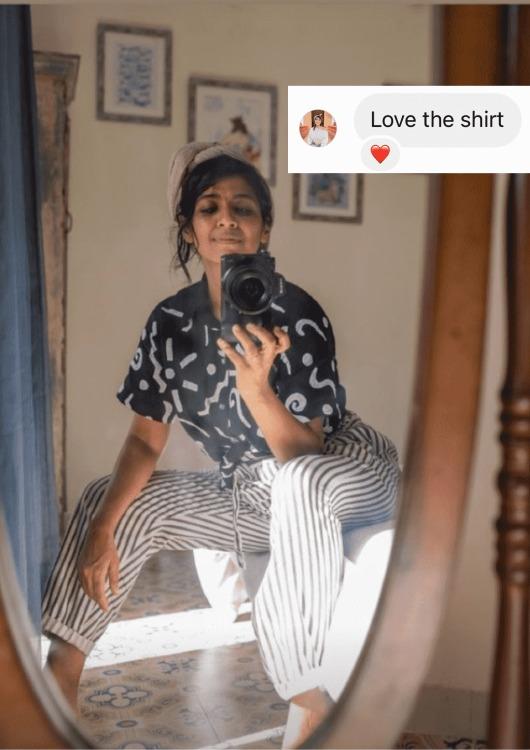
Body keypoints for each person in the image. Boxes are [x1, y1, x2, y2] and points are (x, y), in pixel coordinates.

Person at [42, 141, 400, 748]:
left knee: (300, 482)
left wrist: (257, 390)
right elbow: (144, 442)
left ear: (265, 228)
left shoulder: (298, 312)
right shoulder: (169, 323)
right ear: (190, 228)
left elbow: (304, 457)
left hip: (341, 469)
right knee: (112, 496)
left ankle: (308, 702)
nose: (226, 218)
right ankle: (56, 685)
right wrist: (103, 526)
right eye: (209, 207)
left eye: (243, 208)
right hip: (252, 491)